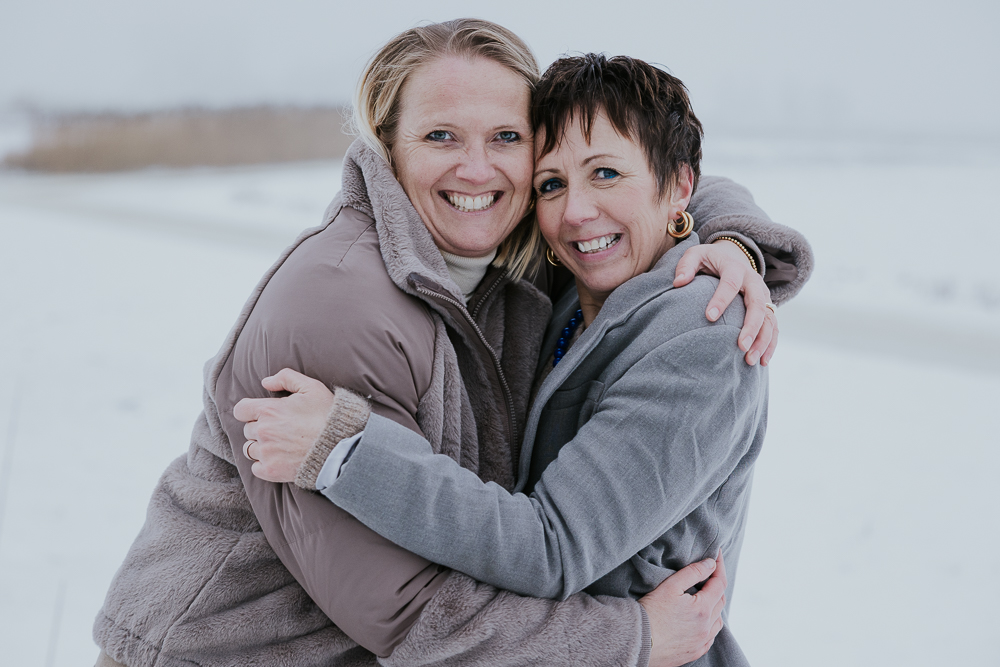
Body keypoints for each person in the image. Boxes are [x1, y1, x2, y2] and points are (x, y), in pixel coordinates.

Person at [94, 19, 811, 667]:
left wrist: (733, 241)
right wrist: (635, 639)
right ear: (386, 147)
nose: (477, 169)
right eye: (441, 136)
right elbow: (411, 613)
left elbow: (660, 173)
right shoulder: (338, 310)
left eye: (506, 138)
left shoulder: (578, 281)